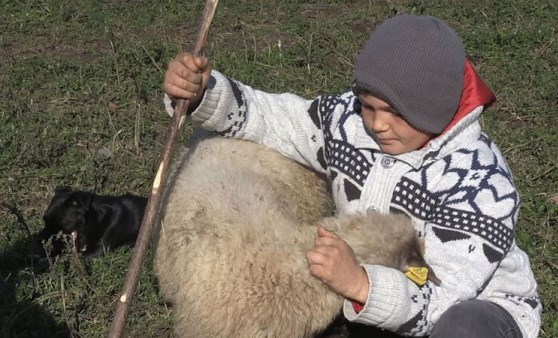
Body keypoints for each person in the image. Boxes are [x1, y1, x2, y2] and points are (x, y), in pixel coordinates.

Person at [163, 14, 541, 338]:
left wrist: (361, 283)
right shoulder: (350, 122)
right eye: (367, 105)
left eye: (396, 112)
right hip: (374, 286)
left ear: (433, 108)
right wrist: (203, 97)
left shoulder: (479, 184)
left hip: (466, 300)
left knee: (464, 328)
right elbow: (273, 118)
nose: (377, 124)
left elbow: (441, 290)